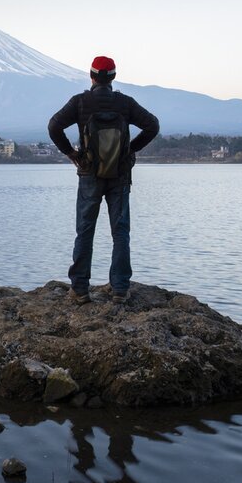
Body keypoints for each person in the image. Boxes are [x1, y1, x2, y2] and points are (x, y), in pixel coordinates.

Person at [47, 56, 159, 305]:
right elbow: (153, 125)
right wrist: (130, 149)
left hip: (89, 174)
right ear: (113, 78)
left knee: (85, 231)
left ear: (91, 76)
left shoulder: (80, 102)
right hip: (119, 174)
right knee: (120, 232)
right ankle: (120, 289)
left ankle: (80, 290)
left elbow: (54, 126)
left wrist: (71, 153)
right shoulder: (125, 103)